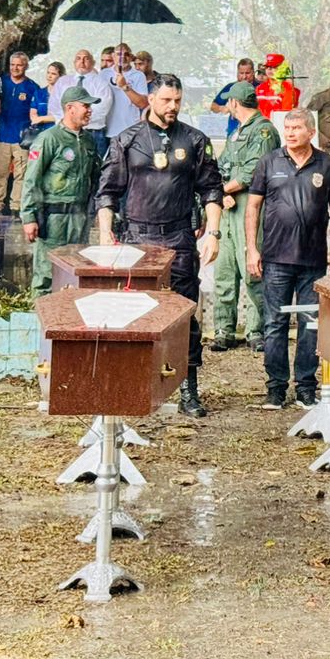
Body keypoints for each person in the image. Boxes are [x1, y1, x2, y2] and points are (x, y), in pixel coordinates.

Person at [96, 74, 223, 417]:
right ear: (150, 99)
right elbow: (108, 192)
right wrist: (106, 235)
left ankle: (188, 387)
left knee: (184, 313)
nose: (173, 107)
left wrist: (213, 232)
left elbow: (212, 189)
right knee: (134, 312)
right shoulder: (127, 140)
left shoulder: (194, 140)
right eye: (166, 100)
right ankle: (133, 384)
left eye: (177, 101)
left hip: (179, 236)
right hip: (137, 236)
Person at [246, 107, 330, 410]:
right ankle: (275, 388)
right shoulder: (269, 161)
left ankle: (305, 388)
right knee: (274, 324)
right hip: (275, 259)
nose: (289, 133)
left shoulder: (325, 165)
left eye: (296, 128)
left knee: (310, 323)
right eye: (286, 128)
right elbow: (253, 207)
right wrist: (252, 248)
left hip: (313, 261)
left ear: (311, 132)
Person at [211, 83, 281, 351]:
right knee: (225, 269)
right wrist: (222, 191)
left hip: (251, 204)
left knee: (252, 269)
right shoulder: (236, 132)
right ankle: (223, 329)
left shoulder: (264, 131)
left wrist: (222, 190)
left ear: (235, 103)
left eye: (229, 102)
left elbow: (254, 171)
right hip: (229, 205)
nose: (228, 106)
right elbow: (223, 166)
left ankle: (256, 330)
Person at [20, 85, 102, 294]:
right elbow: (31, 179)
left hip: (79, 218)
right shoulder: (49, 138)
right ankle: (43, 323)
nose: (90, 110)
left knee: (76, 272)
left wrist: (100, 210)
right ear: (70, 108)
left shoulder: (88, 141)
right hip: (52, 218)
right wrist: (28, 217)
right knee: (47, 275)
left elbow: (97, 178)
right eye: (85, 106)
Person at [0, 51, 45, 216]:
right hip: (2, 135)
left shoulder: (32, 87)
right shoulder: (1, 83)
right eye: (12, 64)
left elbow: (36, 112)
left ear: (26, 66)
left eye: (19, 65)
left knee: (20, 175)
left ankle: (16, 206)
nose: (15, 68)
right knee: (0, 174)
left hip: (22, 138)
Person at [63, 49, 115, 156]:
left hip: (93, 133)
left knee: (96, 169)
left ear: (93, 63)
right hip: (68, 132)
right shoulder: (65, 82)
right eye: (78, 58)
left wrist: (79, 119)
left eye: (86, 58)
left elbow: (102, 108)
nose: (82, 62)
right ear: (74, 62)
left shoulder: (101, 83)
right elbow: (59, 107)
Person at [105, 42, 150, 139]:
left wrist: (125, 86)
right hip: (107, 131)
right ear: (113, 56)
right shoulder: (104, 74)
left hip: (131, 130)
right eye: (119, 54)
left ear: (131, 57)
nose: (122, 57)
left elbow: (143, 104)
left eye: (126, 54)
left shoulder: (138, 75)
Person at [211, 57, 260, 137]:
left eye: (247, 73)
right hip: (234, 131)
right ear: (237, 73)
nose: (244, 76)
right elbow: (213, 106)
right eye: (241, 73)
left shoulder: (262, 87)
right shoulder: (230, 87)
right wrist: (222, 108)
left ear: (253, 73)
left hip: (255, 130)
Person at [256, 53, 301, 121]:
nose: (269, 69)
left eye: (274, 67)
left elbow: (286, 113)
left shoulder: (287, 88)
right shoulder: (259, 88)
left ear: (282, 69)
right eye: (267, 67)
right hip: (261, 126)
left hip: (278, 126)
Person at [34, 61, 67, 127]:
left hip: (59, 131)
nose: (49, 76)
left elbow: (65, 116)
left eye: (53, 74)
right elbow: (33, 115)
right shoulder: (39, 92)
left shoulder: (66, 94)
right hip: (41, 132)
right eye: (48, 72)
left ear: (61, 76)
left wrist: (41, 119)